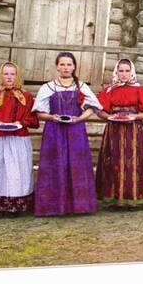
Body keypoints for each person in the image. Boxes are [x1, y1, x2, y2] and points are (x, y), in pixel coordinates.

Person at [32, 52, 102, 216]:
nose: (65, 68)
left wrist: (79, 119)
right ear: (57, 66)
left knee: (77, 165)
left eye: (69, 64)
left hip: (76, 131)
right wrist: (52, 117)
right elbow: (39, 113)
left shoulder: (82, 87)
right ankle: (52, 207)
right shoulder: (47, 87)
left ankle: (79, 205)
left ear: (74, 66)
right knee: (55, 164)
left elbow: (93, 107)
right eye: (62, 64)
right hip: (54, 131)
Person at [0, 62, 39, 219]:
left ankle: (15, 206)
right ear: (1, 75)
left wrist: (20, 123)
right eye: (6, 74)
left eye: (13, 74)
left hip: (18, 139)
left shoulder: (26, 97)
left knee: (17, 171)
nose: (9, 77)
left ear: (17, 76)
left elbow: (32, 118)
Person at [95, 58, 143, 210]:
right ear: (116, 72)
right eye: (121, 71)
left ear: (132, 72)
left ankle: (134, 197)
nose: (124, 74)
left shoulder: (139, 90)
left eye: (127, 71)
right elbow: (99, 110)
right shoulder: (109, 90)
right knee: (114, 163)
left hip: (133, 131)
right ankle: (114, 199)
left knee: (133, 162)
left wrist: (135, 117)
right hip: (114, 131)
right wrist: (109, 117)